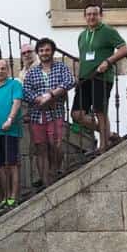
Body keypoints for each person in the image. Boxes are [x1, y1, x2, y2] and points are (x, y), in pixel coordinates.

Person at [72, 4, 127, 153]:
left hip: (102, 78)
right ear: (85, 17)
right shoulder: (81, 35)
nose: (91, 17)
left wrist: (108, 62)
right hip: (85, 79)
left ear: (100, 16)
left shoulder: (108, 31)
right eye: (89, 14)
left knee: (100, 111)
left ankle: (103, 147)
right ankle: (109, 134)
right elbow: (83, 58)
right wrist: (78, 76)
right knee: (77, 114)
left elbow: (124, 49)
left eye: (95, 14)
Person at [23, 37, 76, 188]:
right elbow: (26, 91)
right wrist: (39, 99)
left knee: (56, 145)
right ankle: (46, 182)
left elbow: (70, 81)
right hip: (37, 115)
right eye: (41, 50)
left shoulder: (61, 68)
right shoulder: (32, 72)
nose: (44, 53)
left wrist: (51, 95)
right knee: (40, 148)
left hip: (56, 112)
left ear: (52, 51)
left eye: (47, 50)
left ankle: (54, 172)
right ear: (38, 53)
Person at [0, 58, 24, 211]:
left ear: (8, 70)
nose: (0, 71)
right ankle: (6, 196)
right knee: (0, 166)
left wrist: (10, 119)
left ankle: (13, 197)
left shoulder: (14, 84)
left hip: (10, 131)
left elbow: (17, 102)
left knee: (12, 164)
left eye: (3, 68)